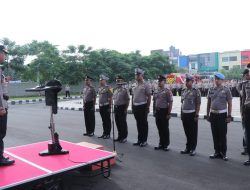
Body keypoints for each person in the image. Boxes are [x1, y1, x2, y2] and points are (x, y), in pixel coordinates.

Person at [207, 72, 232, 161]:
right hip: (213, 114)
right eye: (215, 79)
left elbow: (229, 103)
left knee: (222, 134)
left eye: (218, 79)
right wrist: (207, 114)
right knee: (215, 134)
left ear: (222, 80)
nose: (216, 81)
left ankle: (223, 153)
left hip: (222, 115)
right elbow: (209, 102)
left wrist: (229, 115)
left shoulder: (226, 90)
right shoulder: (211, 89)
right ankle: (216, 152)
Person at [0, 45, 15, 166]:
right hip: (0, 108)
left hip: (3, 105)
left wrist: (5, 82)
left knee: (1, 133)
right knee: (0, 133)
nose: (5, 56)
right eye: (4, 53)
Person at [180, 75, 201, 156]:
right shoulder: (183, 91)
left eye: (188, 81)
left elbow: (198, 104)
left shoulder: (196, 91)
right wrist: (181, 113)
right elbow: (182, 103)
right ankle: (187, 147)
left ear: (192, 82)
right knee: (187, 132)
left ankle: (193, 148)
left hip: (192, 114)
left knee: (193, 132)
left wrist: (196, 115)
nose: (186, 83)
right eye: (186, 81)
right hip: (184, 114)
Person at [132, 68, 151, 147]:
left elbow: (149, 96)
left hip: (143, 106)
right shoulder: (134, 84)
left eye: (138, 75)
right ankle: (139, 140)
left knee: (143, 123)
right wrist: (132, 106)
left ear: (141, 75)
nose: (136, 76)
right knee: (138, 123)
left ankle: (144, 140)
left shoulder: (146, 84)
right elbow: (133, 96)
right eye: (136, 75)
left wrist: (148, 107)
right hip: (135, 106)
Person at [153, 75, 173, 151]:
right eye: (158, 81)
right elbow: (154, 101)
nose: (159, 82)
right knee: (159, 128)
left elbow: (170, 102)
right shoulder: (156, 90)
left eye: (160, 81)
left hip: (164, 111)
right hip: (157, 111)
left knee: (165, 128)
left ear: (164, 82)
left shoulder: (167, 91)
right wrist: (154, 110)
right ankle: (161, 143)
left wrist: (169, 113)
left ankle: (166, 144)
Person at [113, 76, 130, 143]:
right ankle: (119, 136)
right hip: (116, 107)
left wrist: (126, 108)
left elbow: (128, 100)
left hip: (122, 107)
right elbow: (114, 98)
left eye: (119, 81)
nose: (118, 83)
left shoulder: (125, 90)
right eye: (117, 81)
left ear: (122, 82)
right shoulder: (115, 90)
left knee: (123, 123)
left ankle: (124, 137)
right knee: (117, 122)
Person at [237, 71, 248, 155]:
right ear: (244, 76)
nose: (248, 76)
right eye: (247, 75)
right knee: (246, 129)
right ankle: (246, 147)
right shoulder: (241, 84)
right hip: (244, 109)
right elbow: (241, 93)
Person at [98, 75, 113, 139]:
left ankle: (108, 134)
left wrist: (110, 107)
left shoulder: (109, 88)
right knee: (103, 120)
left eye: (102, 80)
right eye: (100, 80)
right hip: (101, 106)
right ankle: (104, 133)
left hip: (106, 106)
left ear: (105, 81)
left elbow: (111, 97)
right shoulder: (100, 88)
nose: (101, 81)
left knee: (107, 120)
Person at [241, 68, 250, 165]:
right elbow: (243, 98)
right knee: (248, 133)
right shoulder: (245, 84)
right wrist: (243, 111)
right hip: (247, 110)